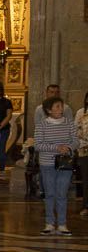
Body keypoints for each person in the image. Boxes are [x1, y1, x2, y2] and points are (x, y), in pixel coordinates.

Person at [35, 96, 78, 235]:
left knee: (62, 194)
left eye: (61, 106)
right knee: (50, 194)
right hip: (47, 163)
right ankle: (49, 223)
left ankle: (62, 224)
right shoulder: (42, 124)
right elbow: (38, 145)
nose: (61, 109)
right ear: (49, 110)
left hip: (65, 163)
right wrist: (56, 148)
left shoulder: (69, 123)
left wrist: (68, 147)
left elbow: (76, 141)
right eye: (57, 106)